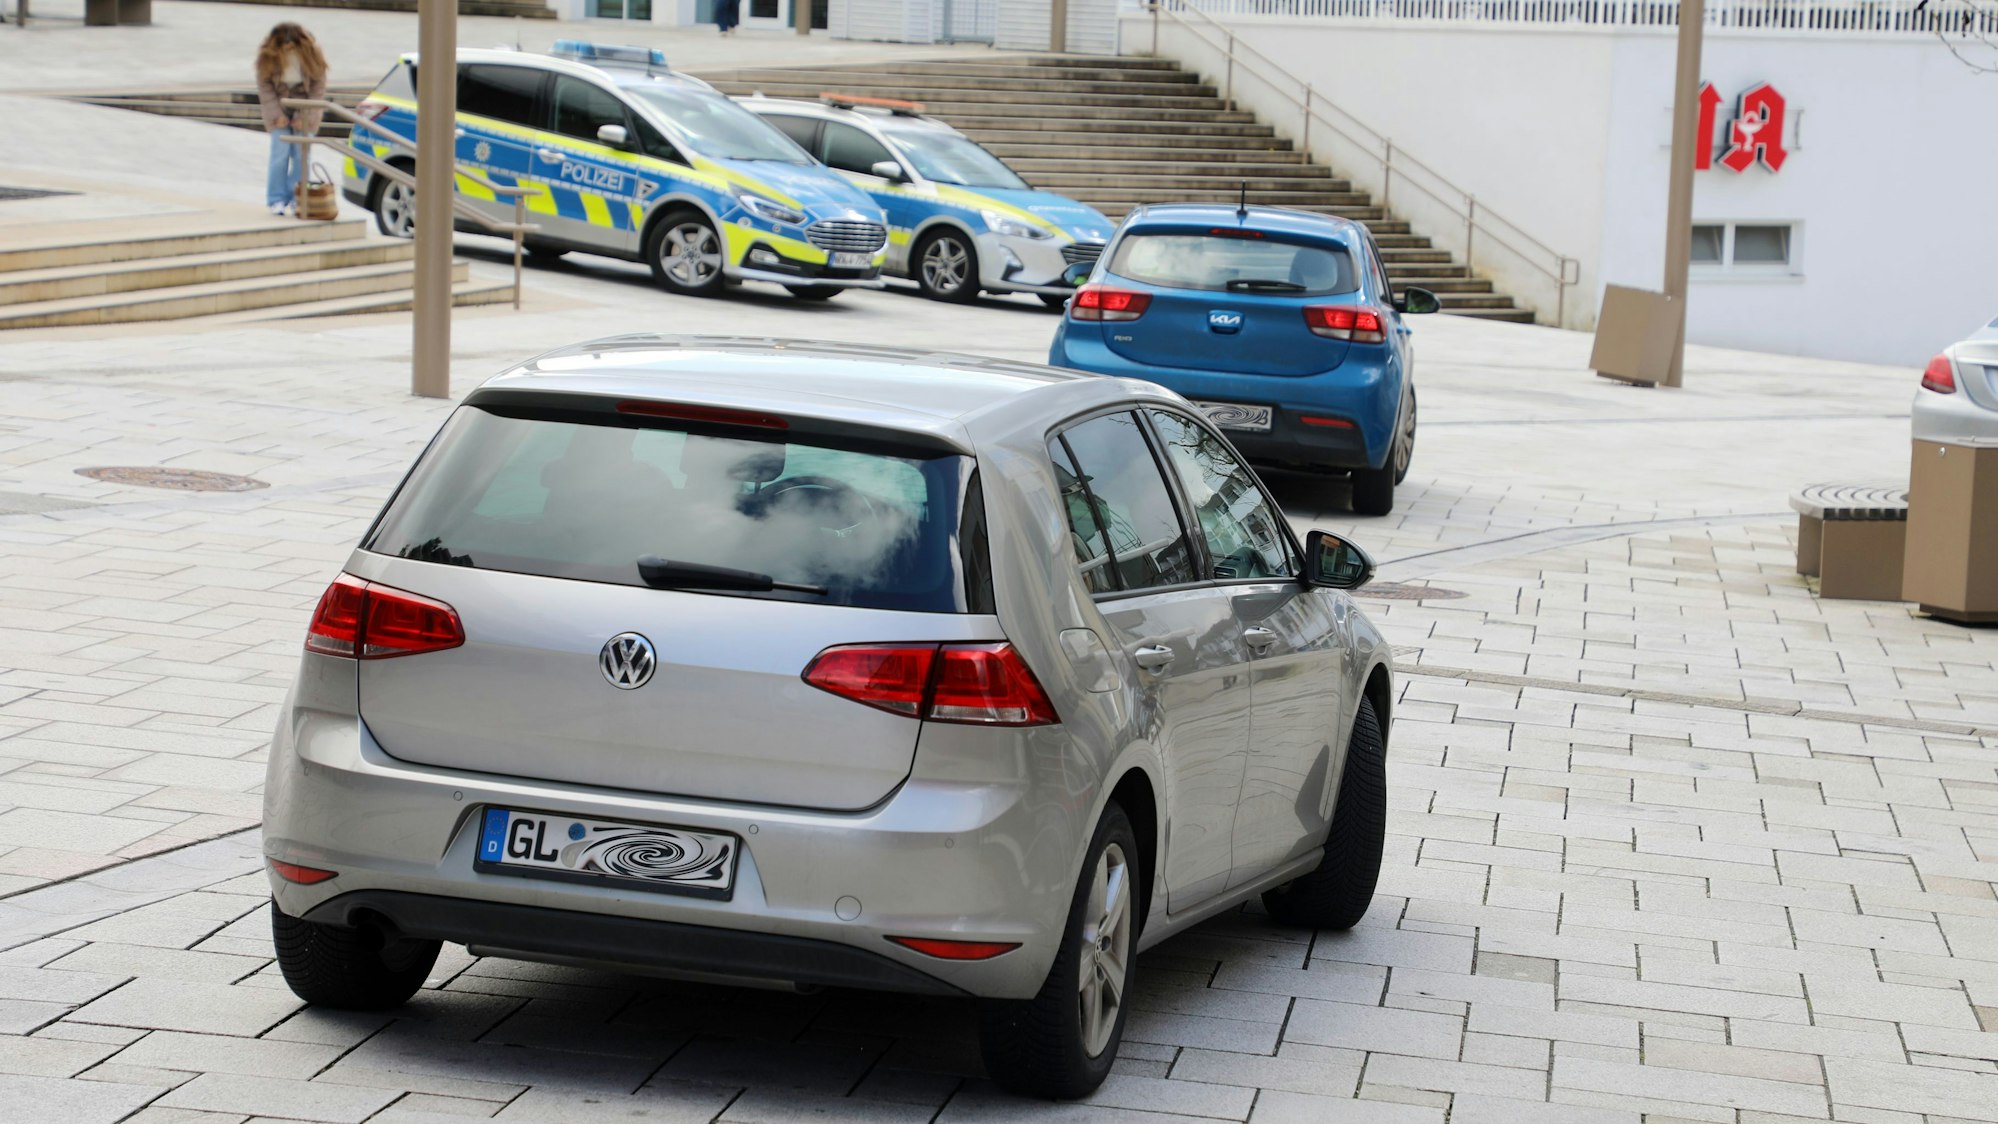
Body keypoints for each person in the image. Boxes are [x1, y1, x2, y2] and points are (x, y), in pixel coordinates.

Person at [255, 23, 328, 217]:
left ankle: (298, 197)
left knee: (302, 156)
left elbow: (317, 88)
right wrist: (276, 115)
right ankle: (276, 199)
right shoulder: (267, 56)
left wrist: (306, 116)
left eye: (292, 46)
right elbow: (265, 88)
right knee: (279, 154)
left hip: (305, 108)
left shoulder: (312, 54)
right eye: (284, 47)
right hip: (278, 106)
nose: (288, 50)